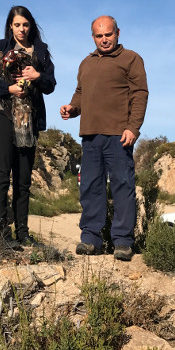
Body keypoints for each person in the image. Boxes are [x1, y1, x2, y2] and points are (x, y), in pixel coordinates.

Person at [60, 16, 148, 261]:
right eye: (99, 36)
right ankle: (90, 239)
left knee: (122, 186)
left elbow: (140, 94)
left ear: (118, 32)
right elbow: (80, 93)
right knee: (90, 187)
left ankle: (122, 242)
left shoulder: (131, 59)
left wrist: (133, 127)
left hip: (119, 135)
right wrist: (72, 108)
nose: (104, 39)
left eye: (108, 34)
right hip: (90, 135)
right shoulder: (86, 63)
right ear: (93, 37)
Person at [0, 6, 56, 248]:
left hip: (29, 120)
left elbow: (51, 84)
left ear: (31, 25)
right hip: (2, 114)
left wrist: (37, 75)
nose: (21, 29)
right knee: (1, 174)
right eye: (17, 25)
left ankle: (23, 232)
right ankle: (2, 233)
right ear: (10, 27)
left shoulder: (41, 52)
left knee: (23, 179)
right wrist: (9, 89)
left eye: (25, 24)